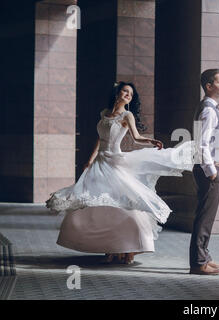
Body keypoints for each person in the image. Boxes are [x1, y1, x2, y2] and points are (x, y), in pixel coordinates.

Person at [46, 81, 194, 264]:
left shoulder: (127, 114)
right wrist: (89, 161)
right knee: (98, 206)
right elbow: (100, 140)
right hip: (100, 163)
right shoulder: (104, 114)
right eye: (125, 91)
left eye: (131, 94)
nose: (128, 95)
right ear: (117, 93)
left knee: (122, 206)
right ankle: (110, 248)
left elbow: (136, 138)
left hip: (115, 163)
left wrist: (151, 141)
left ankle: (129, 248)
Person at [189, 69, 219, 275]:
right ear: (209, 86)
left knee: (206, 216)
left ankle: (204, 257)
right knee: (204, 218)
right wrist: (212, 172)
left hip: (207, 169)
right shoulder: (208, 110)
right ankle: (198, 263)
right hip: (208, 171)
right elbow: (201, 144)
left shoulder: (210, 108)